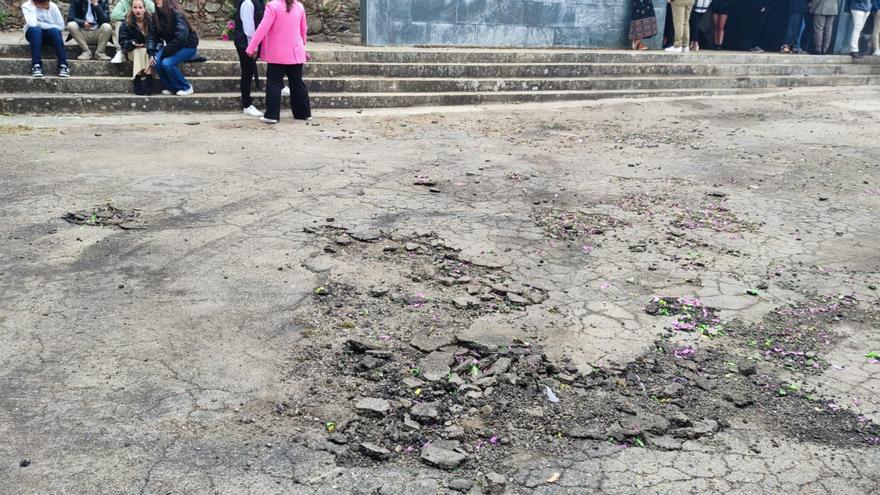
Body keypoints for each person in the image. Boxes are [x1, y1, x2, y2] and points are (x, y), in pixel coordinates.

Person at [246, 0, 311, 124]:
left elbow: (263, 27)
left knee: (274, 83)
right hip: (296, 52)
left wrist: (252, 47)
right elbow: (303, 30)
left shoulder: (273, 6)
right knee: (297, 82)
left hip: (277, 54)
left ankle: (272, 115)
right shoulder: (299, 6)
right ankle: (304, 114)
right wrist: (302, 47)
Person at [147, 0, 199, 96]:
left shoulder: (177, 14)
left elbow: (181, 38)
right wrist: (151, 52)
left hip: (188, 46)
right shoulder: (156, 15)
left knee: (167, 63)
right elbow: (152, 35)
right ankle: (172, 88)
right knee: (156, 61)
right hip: (173, 46)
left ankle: (186, 87)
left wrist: (165, 52)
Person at [21, 0, 68, 78]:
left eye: (48, 2)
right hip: (33, 35)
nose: (48, 4)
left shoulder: (53, 7)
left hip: (50, 35)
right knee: (36, 30)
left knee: (54, 31)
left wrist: (41, 24)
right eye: (45, 3)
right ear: (37, 3)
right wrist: (33, 8)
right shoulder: (27, 6)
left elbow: (61, 26)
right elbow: (32, 24)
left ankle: (63, 65)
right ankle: (36, 65)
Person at [235, 0, 265, 116]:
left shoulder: (257, 2)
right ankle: (246, 105)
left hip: (249, 43)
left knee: (249, 72)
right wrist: (254, 46)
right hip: (245, 43)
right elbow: (249, 28)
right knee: (247, 72)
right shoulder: (248, 3)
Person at [119, 0, 154, 94]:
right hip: (132, 52)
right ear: (131, 9)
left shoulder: (151, 21)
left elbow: (157, 39)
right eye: (135, 7)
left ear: (144, 9)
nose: (137, 10)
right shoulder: (126, 23)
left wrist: (148, 46)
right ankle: (140, 78)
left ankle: (148, 77)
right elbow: (122, 42)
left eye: (140, 7)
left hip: (148, 51)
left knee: (146, 50)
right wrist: (132, 43)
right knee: (139, 51)